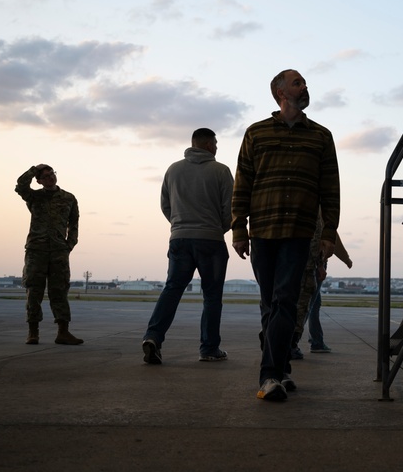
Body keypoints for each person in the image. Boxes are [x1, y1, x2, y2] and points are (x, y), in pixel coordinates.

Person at [232, 69, 341, 402]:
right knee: (270, 304)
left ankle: (269, 376)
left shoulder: (321, 136)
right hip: (263, 229)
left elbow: (330, 188)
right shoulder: (256, 133)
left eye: (304, 82)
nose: (305, 86)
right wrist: (238, 227)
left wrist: (330, 233)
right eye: (297, 82)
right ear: (280, 92)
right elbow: (243, 182)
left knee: (284, 301)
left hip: (299, 232)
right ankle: (281, 368)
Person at [142, 128, 234, 365]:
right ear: (206, 144)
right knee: (212, 296)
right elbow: (230, 209)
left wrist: (179, 225)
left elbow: (165, 204)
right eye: (215, 143)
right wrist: (217, 228)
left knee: (172, 289)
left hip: (180, 239)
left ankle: (153, 337)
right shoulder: (221, 171)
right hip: (211, 241)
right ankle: (209, 348)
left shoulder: (173, 169)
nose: (216, 147)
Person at [15, 164, 82, 345]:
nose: (49, 178)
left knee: (59, 291)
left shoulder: (69, 198)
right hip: (36, 250)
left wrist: (69, 244)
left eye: (51, 174)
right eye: (44, 177)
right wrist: (33, 169)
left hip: (59, 251)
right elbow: (20, 186)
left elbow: (74, 224)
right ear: (39, 181)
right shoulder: (34, 196)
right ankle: (33, 332)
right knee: (34, 291)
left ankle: (63, 332)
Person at [292, 217, 352, 356]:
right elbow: (328, 238)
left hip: (308, 260)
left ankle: (316, 341)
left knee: (314, 304)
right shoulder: (320, 212)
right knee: (306, 305)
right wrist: (345, 259)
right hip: (314, 261)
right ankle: (292, 343)